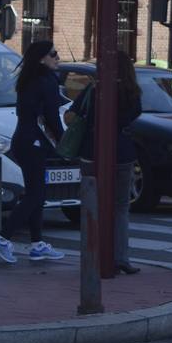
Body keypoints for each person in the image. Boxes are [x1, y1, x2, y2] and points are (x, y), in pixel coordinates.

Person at [0, 40, 64, 264]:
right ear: (42, 58)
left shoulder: (28, 80)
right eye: (53, 54)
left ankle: (37, 243)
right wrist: (64, 142)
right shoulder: (46, 81)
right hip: (34, 143)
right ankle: (3, 237)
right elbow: (51, 116)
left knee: (35, 193)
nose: (57, 57)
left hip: (23, 139)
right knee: (36, 194)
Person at [72, 52, 144, 274]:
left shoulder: (95, 89)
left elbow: (74, 112)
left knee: (92, 205)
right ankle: (121, 257)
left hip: (92, 151)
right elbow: (135, 115)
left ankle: (93, 256)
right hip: (122, 152)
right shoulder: (132, 92)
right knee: (121, 207)